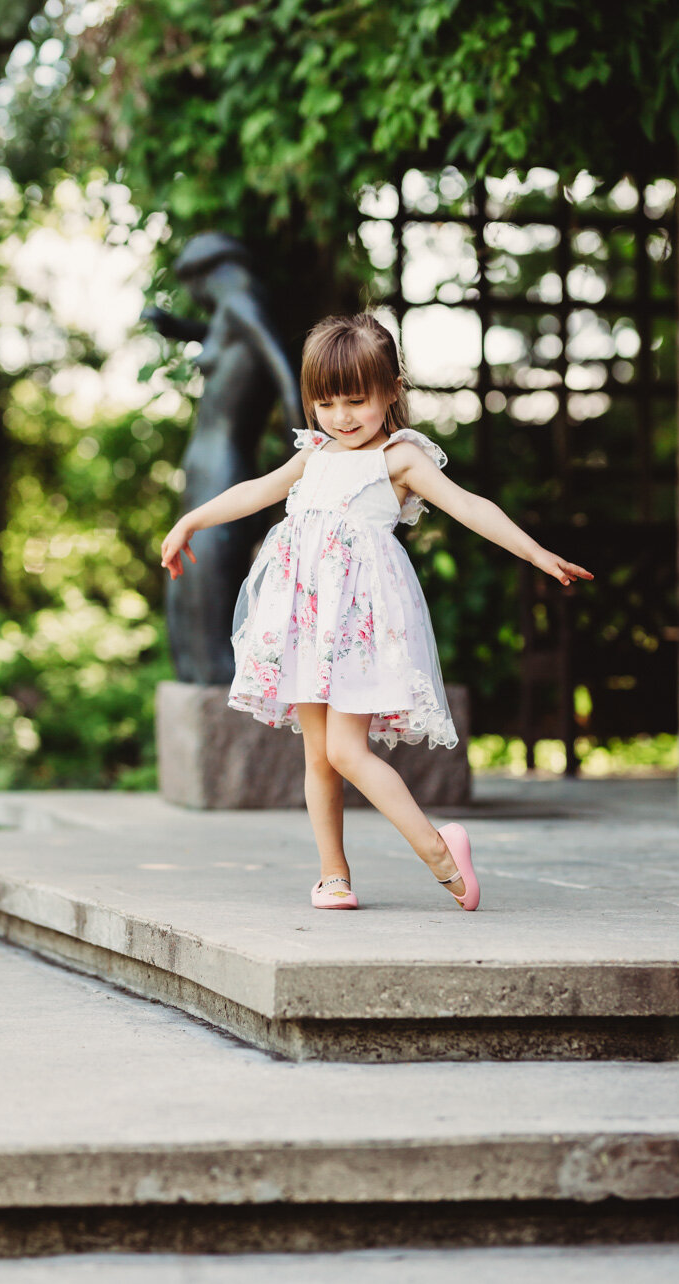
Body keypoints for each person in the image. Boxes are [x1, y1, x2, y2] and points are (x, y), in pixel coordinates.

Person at [160, 311, 595, 913]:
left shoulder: (400, 459)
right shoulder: (313, 455)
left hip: (357, 624)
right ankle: (332, 874)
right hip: (305, 621)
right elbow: (256, 489)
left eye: (357, 400)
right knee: (318, 755)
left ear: (392, 391)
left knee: (345, 750)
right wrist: (190, 521)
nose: (342, 417)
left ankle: (439, 849)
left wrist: (536, 553)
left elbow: (472, 506)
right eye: (327, 402)